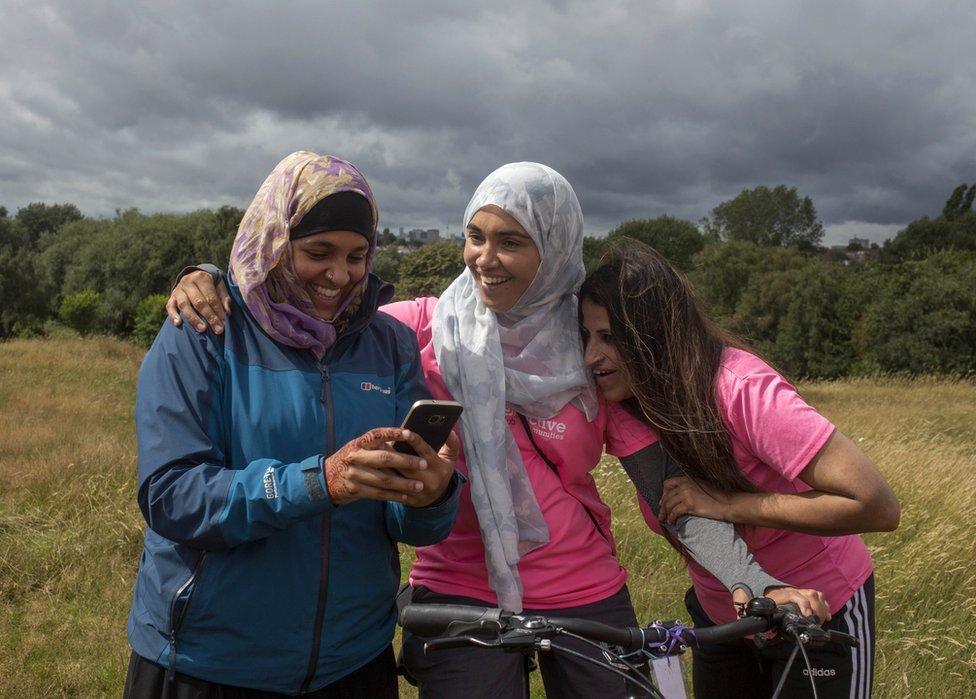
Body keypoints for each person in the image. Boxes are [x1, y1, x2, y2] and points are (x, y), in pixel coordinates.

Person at [165, 163, 826, 698]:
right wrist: (210, 279)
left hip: (585, 588)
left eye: (512, 240)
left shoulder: (592, 346)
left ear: (557, 244)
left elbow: (667, 493)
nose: (486, 258)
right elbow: (302, 308)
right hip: (456, 589)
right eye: (475, 235)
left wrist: (753, 577)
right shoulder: (420, 325)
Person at [125, 151, 463, 698]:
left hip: (354, 659)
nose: (340, 275)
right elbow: (172, 496)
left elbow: (405, 524)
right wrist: (319, 482)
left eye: (357, 255)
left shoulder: (390, 343)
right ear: (276, 240)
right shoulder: (204, 331)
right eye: (318, 252)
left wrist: (433, 495)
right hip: (210, 662)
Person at [578, 242, 901, 698]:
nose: (591, 356)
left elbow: (877, 507)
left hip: (817, 613)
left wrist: (731, 504)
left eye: (609, 337)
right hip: (726, 617)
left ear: (654, 334)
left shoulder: (743, 391)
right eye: (586, 336)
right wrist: (750, 583)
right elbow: (680, 509)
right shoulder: (627, 405)